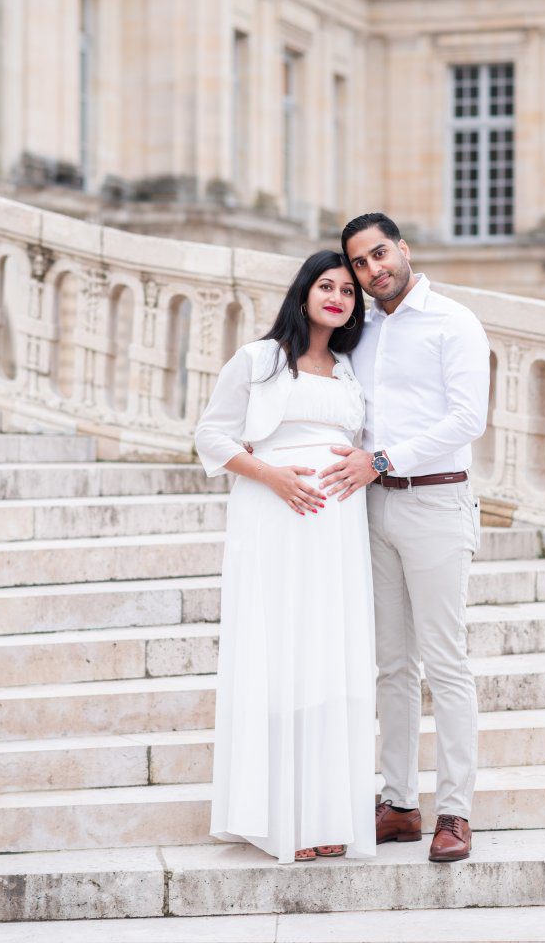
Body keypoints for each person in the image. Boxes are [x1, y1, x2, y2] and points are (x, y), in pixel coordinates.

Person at [194, 250, 376, 865]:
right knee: (279, 653)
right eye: (326, 286)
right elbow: (211, 437)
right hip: (275, 516)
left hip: (339, 526)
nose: (338, 297)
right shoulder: (259, 359)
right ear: (303, 294)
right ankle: (276, 815)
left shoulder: (351, 370)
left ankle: (325, 811)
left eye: (348, 291)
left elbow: (362, 445)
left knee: (330, 659)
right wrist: (272, 476)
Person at [319, 213, 490, 863]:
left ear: (403, 249)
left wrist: (384, 459)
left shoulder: (453, 322)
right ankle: (397, 803)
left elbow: (467, 418)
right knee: (390, 664)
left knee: (445, 662)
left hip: (437, 501)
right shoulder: (357, 334)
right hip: (371, 508)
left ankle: (455, 812)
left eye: (379, 254)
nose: (372, 270)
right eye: (359, 263)